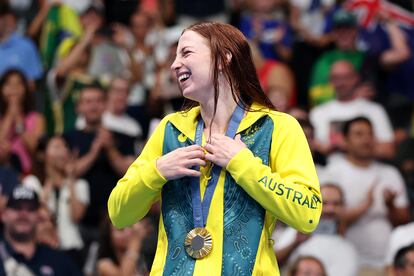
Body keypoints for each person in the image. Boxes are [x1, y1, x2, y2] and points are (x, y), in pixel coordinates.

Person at [108, 22, 322, 275]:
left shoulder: (277, 127)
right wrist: (158, 170)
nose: (174, 64)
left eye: (186, 53)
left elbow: (307, 213)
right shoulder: (171, 129)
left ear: (224, 57)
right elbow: (119, 214)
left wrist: (242, 163)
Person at [321, 116, 409, 275]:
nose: (366, 139)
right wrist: (364, 206)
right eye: (359, 134)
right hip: (348, 263)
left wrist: (390, 206)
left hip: (387, 264)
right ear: (345, 140)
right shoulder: (334, 172)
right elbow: (326, 219)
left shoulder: (390, 173)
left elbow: (404, 221)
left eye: (370, 134)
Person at [274, 184, 358, 276]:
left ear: (343, 206)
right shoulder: (294, 232)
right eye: (324, 203)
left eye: (336, 204)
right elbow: (271, 264)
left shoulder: (347, 249)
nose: (330, 209)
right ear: (313, 204)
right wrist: (295, 243)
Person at [0, 186, 82, 275]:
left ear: (39, 216)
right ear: (3, 214)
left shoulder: (58, 261)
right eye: (17, 208)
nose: (23, 214)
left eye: (30, 209)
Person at [0, 69, 45, 175]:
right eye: (8, 84)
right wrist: (10, 117)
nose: (13, 89)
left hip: (28, 173)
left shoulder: (37, 118)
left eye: (18, 84)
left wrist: (18, 119)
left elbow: (34, 147)